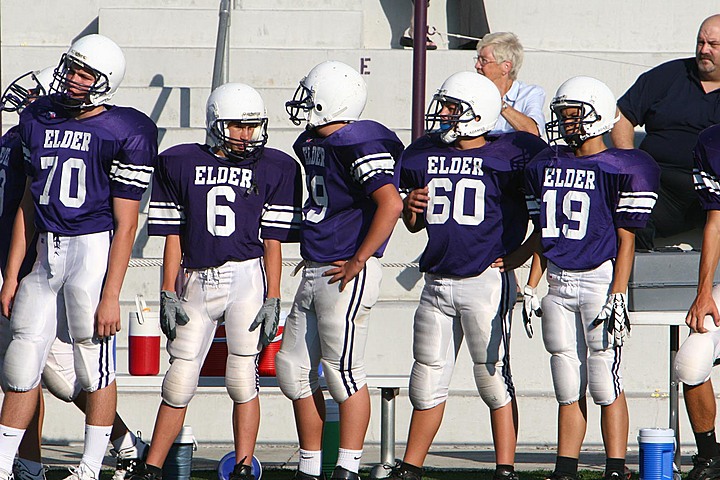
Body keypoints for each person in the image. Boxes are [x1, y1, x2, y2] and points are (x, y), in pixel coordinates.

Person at [0, 33, 157, 480]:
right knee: (21, 363)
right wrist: (12, 275)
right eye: (71, 67)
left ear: (105, 82)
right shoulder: (39, 119)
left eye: (84, 72)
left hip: (91, 252)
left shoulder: (125, 128)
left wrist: (112, 295)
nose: (71, 78)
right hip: (45, 253)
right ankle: (4, 465)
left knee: (93, 368)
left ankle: (91, 468)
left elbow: (127, 224)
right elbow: (29, 203)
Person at [129, 82, 302, 480]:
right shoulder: (178, 162)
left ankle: (243, 466)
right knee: (179, 378)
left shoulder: (275, 167)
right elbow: (173, 236)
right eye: (238, 126)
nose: (246, 135)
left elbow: (272, 241)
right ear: (215, 124)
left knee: (242, 378)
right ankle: (152, 467)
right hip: (196, 278)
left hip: (246, 276)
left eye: (252, 126)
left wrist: (274, 296)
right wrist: (167, 290)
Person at [388, 71, 547, 480]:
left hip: (485, 280)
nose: (442, 113)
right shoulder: (423, 153)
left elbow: (546, 217)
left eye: (451, 106)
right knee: (425, 378)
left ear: (477, 112)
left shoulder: (513, 153)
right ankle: (411, 467)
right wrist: (411, 207)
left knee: (492, 377)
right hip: (437, 280)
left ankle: (505, 469)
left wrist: (522, 255)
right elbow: (412, 225)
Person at [524, 76, 659, 480]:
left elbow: (626, 237)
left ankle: (616, 467)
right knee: (567, 382)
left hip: (600, 282)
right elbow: (543, 233)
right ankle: (565, 468)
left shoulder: (622, 164)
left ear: (597, 116)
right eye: (562, 115)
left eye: (572, 115)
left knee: (604, 380)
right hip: (559, 282)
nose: (564, 123)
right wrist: (532, 283)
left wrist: (619, 292)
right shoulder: (546, 164)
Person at [276, 60, 404, 480]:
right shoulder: (315, 140)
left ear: (333, 101)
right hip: (316, 267)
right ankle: (310, 467)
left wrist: (359, 259)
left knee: (342, 372)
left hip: (344, 268)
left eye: (310, 95)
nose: (303, 104)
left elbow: (391, 204)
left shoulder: (359, 141)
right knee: (292, 370)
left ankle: (347, 468)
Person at [611, 14, 720, 250]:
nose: (704, 50)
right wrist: (631, 163)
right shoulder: (669, 75)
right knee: (623, 210)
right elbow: (622, 115)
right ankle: (628, 284)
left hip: (714, 190)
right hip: (660, 186)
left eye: (713, 45)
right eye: (700, 42)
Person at [675, 123, 720, 480]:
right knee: (691, 362)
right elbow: (715, 220)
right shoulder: (713, 142)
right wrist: (704, 291)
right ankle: (709, 455)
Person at [475, 32, 546, 137]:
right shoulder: (473, 93)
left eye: (484, 61)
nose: (477, 66)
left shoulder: (530, 93)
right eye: (477, 59)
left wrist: (499, 104)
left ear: (506, 67)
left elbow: (533, 132)